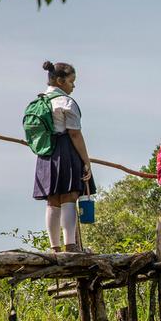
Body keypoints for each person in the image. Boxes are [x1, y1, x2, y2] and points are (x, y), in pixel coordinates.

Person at [33, 61, 95, 253]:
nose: (73, 86)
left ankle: (54, 247)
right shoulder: (66, 102)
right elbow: (75, 134)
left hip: (45, 151)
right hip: (65, 148)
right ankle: (70, 245)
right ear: (60, 81)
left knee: (52, 199)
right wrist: (86, 161)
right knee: (69, 195)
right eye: (71, 81)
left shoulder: (40, 100)